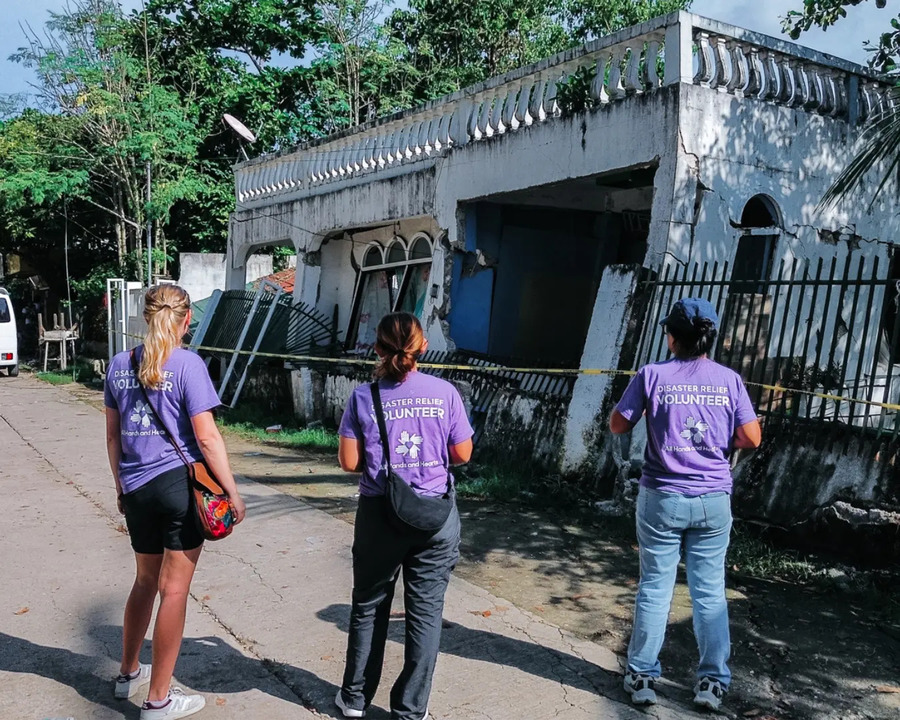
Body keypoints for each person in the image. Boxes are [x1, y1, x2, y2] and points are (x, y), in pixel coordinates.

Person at [609, 297, 761, 711]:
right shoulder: (730, 380)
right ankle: (712, 683)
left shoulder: (652, 375)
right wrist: (716, 442)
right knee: (710, 592)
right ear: (708, 338)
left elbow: (618, 423)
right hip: (713, 500)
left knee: (656, 587)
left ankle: (641, 675)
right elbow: (752, 437)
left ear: (672, 338)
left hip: (663, 497)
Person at [104, 284, 246, 720]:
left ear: (145, 318)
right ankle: (159, 700)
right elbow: (205, 436)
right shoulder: (187, 364)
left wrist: (122, 487)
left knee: (145, 581)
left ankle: (128, 674)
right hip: (179, 489)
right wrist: (233, 493)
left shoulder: (119, 364)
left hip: (137, 488)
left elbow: (113, 436)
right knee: (175, 590)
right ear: (187, 320)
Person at [335, 312, 474, 720]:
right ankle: (411, 710)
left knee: (368, 605)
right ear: (422, 347)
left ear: (377, 349)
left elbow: (348, 461)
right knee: (426, 612)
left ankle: (354, 701)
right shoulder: (445, 392)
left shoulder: (364, 396)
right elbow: (463, 454)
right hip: (435, 516)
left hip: (381, 513)